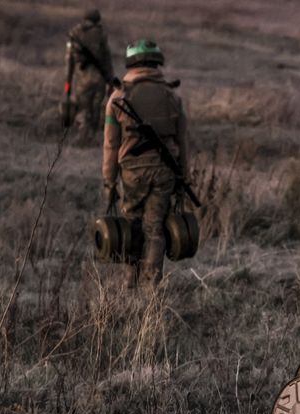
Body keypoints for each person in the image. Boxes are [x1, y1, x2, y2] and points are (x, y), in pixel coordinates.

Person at [102, 39, 188, 285]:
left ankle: (130, 283)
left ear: (131, 63)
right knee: (155, 227)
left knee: (131, 225)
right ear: (156, 63)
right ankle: (151, 288)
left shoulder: (117, 97)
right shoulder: (173, 97)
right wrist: (184, 177)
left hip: (132, 172)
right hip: (165, 171)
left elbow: (110, 145)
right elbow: (182, 141)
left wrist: (109, 182)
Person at [66, 9, 114, 145]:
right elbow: (107, 60)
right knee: (96, 108)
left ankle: (82, 135)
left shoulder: (74, 34)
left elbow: (69, 61)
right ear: (98, 20)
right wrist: (110, 81)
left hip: (82, 80)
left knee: (83, 108)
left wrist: (67, 84)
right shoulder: (101, 35)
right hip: (99, 80)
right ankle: (92, 136)